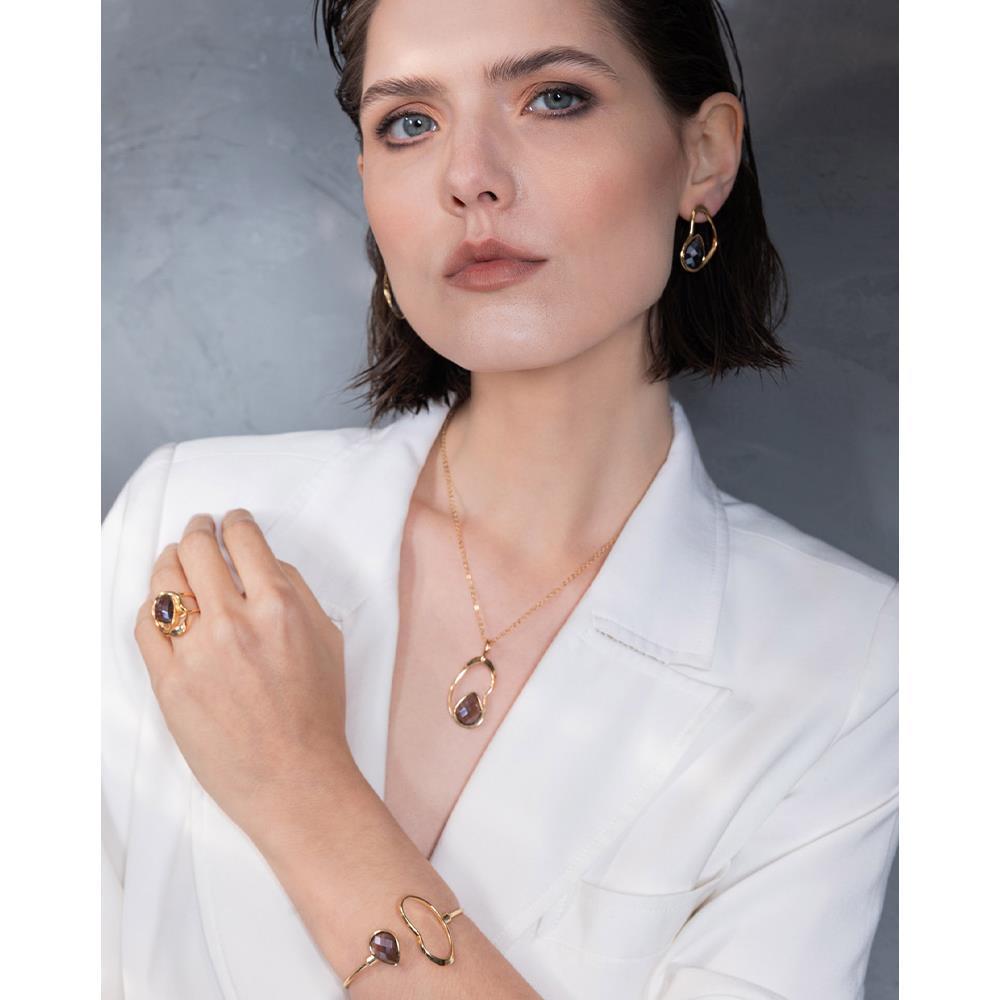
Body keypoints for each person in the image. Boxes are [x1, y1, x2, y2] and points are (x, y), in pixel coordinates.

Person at [102, 1, 898, 997]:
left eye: (553, 98)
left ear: (704, 157)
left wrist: (301, 790)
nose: (468, 175)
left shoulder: (849, 661)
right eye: (409, 122)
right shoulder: (183, 526)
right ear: (368, 181)